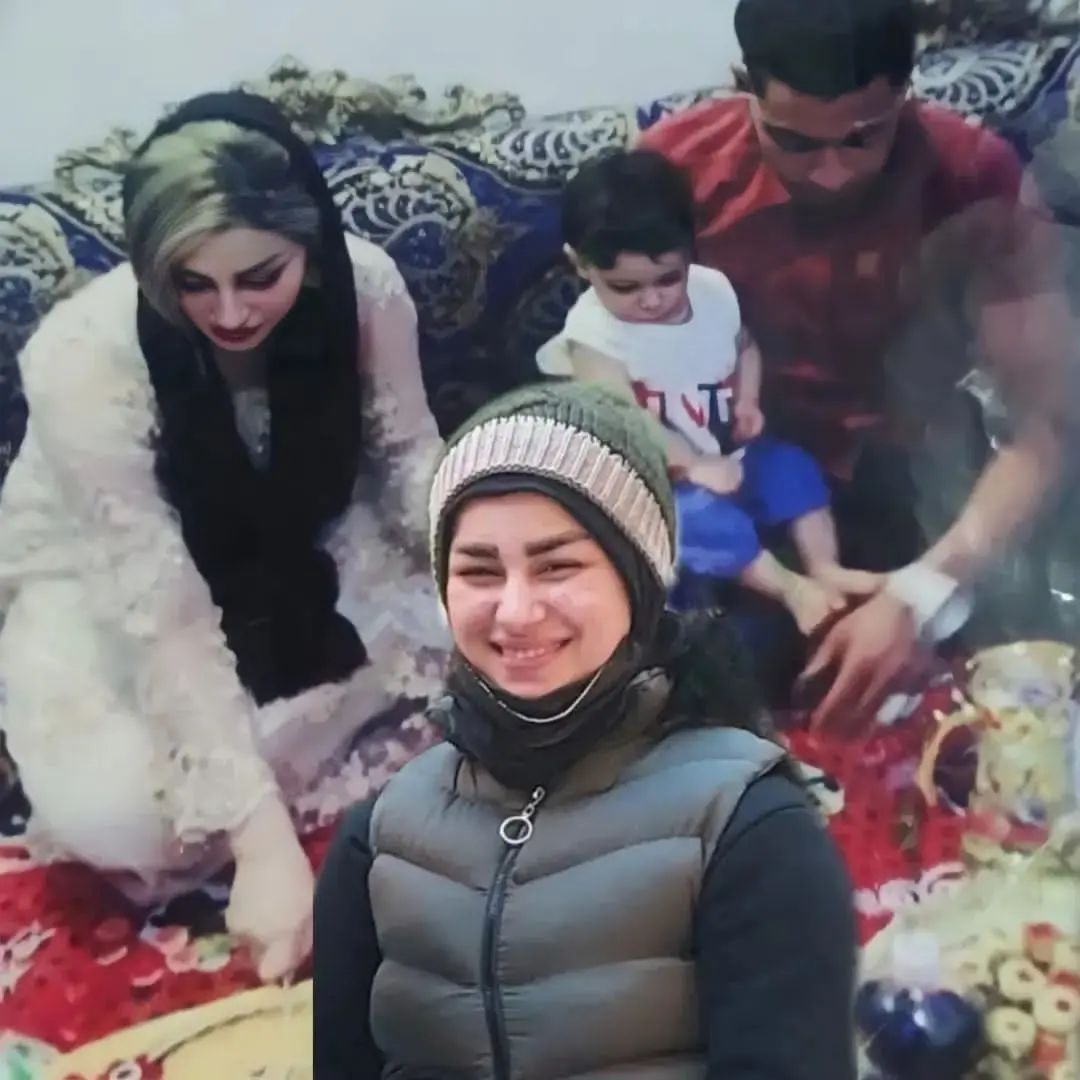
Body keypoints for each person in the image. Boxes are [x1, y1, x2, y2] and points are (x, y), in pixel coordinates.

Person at [0, 92, 444, 981]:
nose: (230, 313)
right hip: (109, 573)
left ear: (310, 245)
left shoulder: (363, 291)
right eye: (192, 283)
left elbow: (407, 459)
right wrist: (261, 840)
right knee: (125, 815)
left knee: (495, 634)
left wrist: (494, 572)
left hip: (307, 532)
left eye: (259, 276)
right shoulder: (82, 356)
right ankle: (285, 760)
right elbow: (154, 599)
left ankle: (306, 728)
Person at [314, 383, 857, 1079]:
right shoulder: (379, 842)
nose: (515, 611)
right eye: (479, 572)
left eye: (557, 567)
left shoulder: (744, 827)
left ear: (639, 579)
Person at [639, 0, 1071, 732]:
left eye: (864, 138)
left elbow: (1049, 422)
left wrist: (924, 592)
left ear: (906, 91)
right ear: (744, 85)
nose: (833, 174)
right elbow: (617, 382)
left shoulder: (972, 172)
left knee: (1015, 710)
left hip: (921, 482)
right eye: (795, 142)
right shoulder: (671, 174)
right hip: (739, 482)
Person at [538, 148, 879, 635]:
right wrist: (693, 466)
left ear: (690, 249)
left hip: (723, 453)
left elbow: (744, 345)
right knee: (695, 517)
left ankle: (825, 568)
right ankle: (791, 589)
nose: (651, 299)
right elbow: (629, 420)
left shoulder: (712, 292)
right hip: (649, 482)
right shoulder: (593, 338)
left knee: (791, 468)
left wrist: (747, 399)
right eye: (625, 287)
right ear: (580, 263)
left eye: (668, 279)